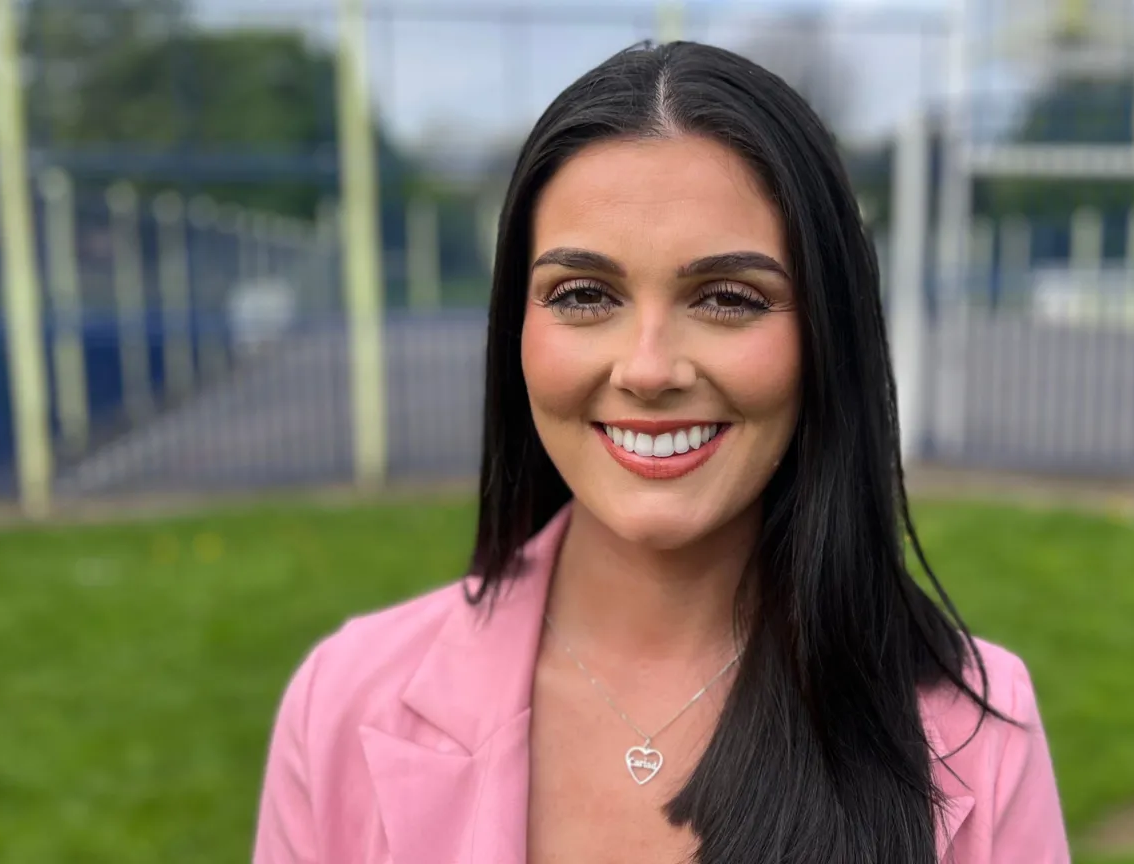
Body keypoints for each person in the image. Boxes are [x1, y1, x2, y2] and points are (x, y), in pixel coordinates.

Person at [253, 40, 1069, 864]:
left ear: (828, 333)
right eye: (583, 295)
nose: (647, 370)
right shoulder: (342, 700)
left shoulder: (979, 726)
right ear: (517, 329)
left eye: (726, 298)